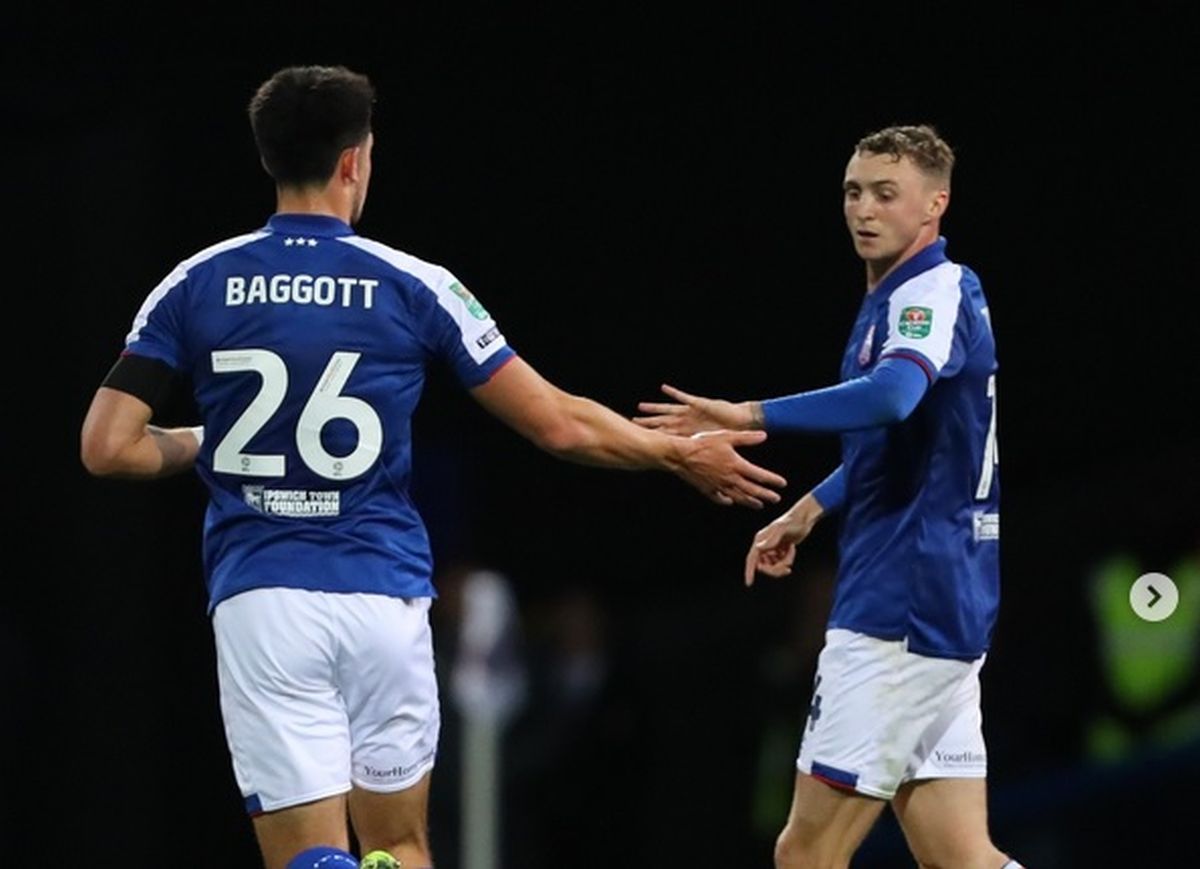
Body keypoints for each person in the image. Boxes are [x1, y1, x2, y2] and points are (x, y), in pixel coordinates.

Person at [79, 64, 787, 869]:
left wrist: (220, 440)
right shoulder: (416, 285)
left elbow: (108, 447)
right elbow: (556, 422)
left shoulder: (195, 282)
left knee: (307, 858)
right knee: (402, 843)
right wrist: (672, 451)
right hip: (383, 598)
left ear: (268, 157)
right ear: (356, 161)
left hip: (264, 599)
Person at [634, 125, 1024, 868]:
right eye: (853, 191)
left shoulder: (932, 290)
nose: (864, 209)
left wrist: (744, 413)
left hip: (899, 608)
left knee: (806, 852)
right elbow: (913, 444)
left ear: (935, 203)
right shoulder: (900, 298)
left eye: (886, 193)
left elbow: (893, 397)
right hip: (942, 598)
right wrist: (809, 509)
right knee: (959, 855)